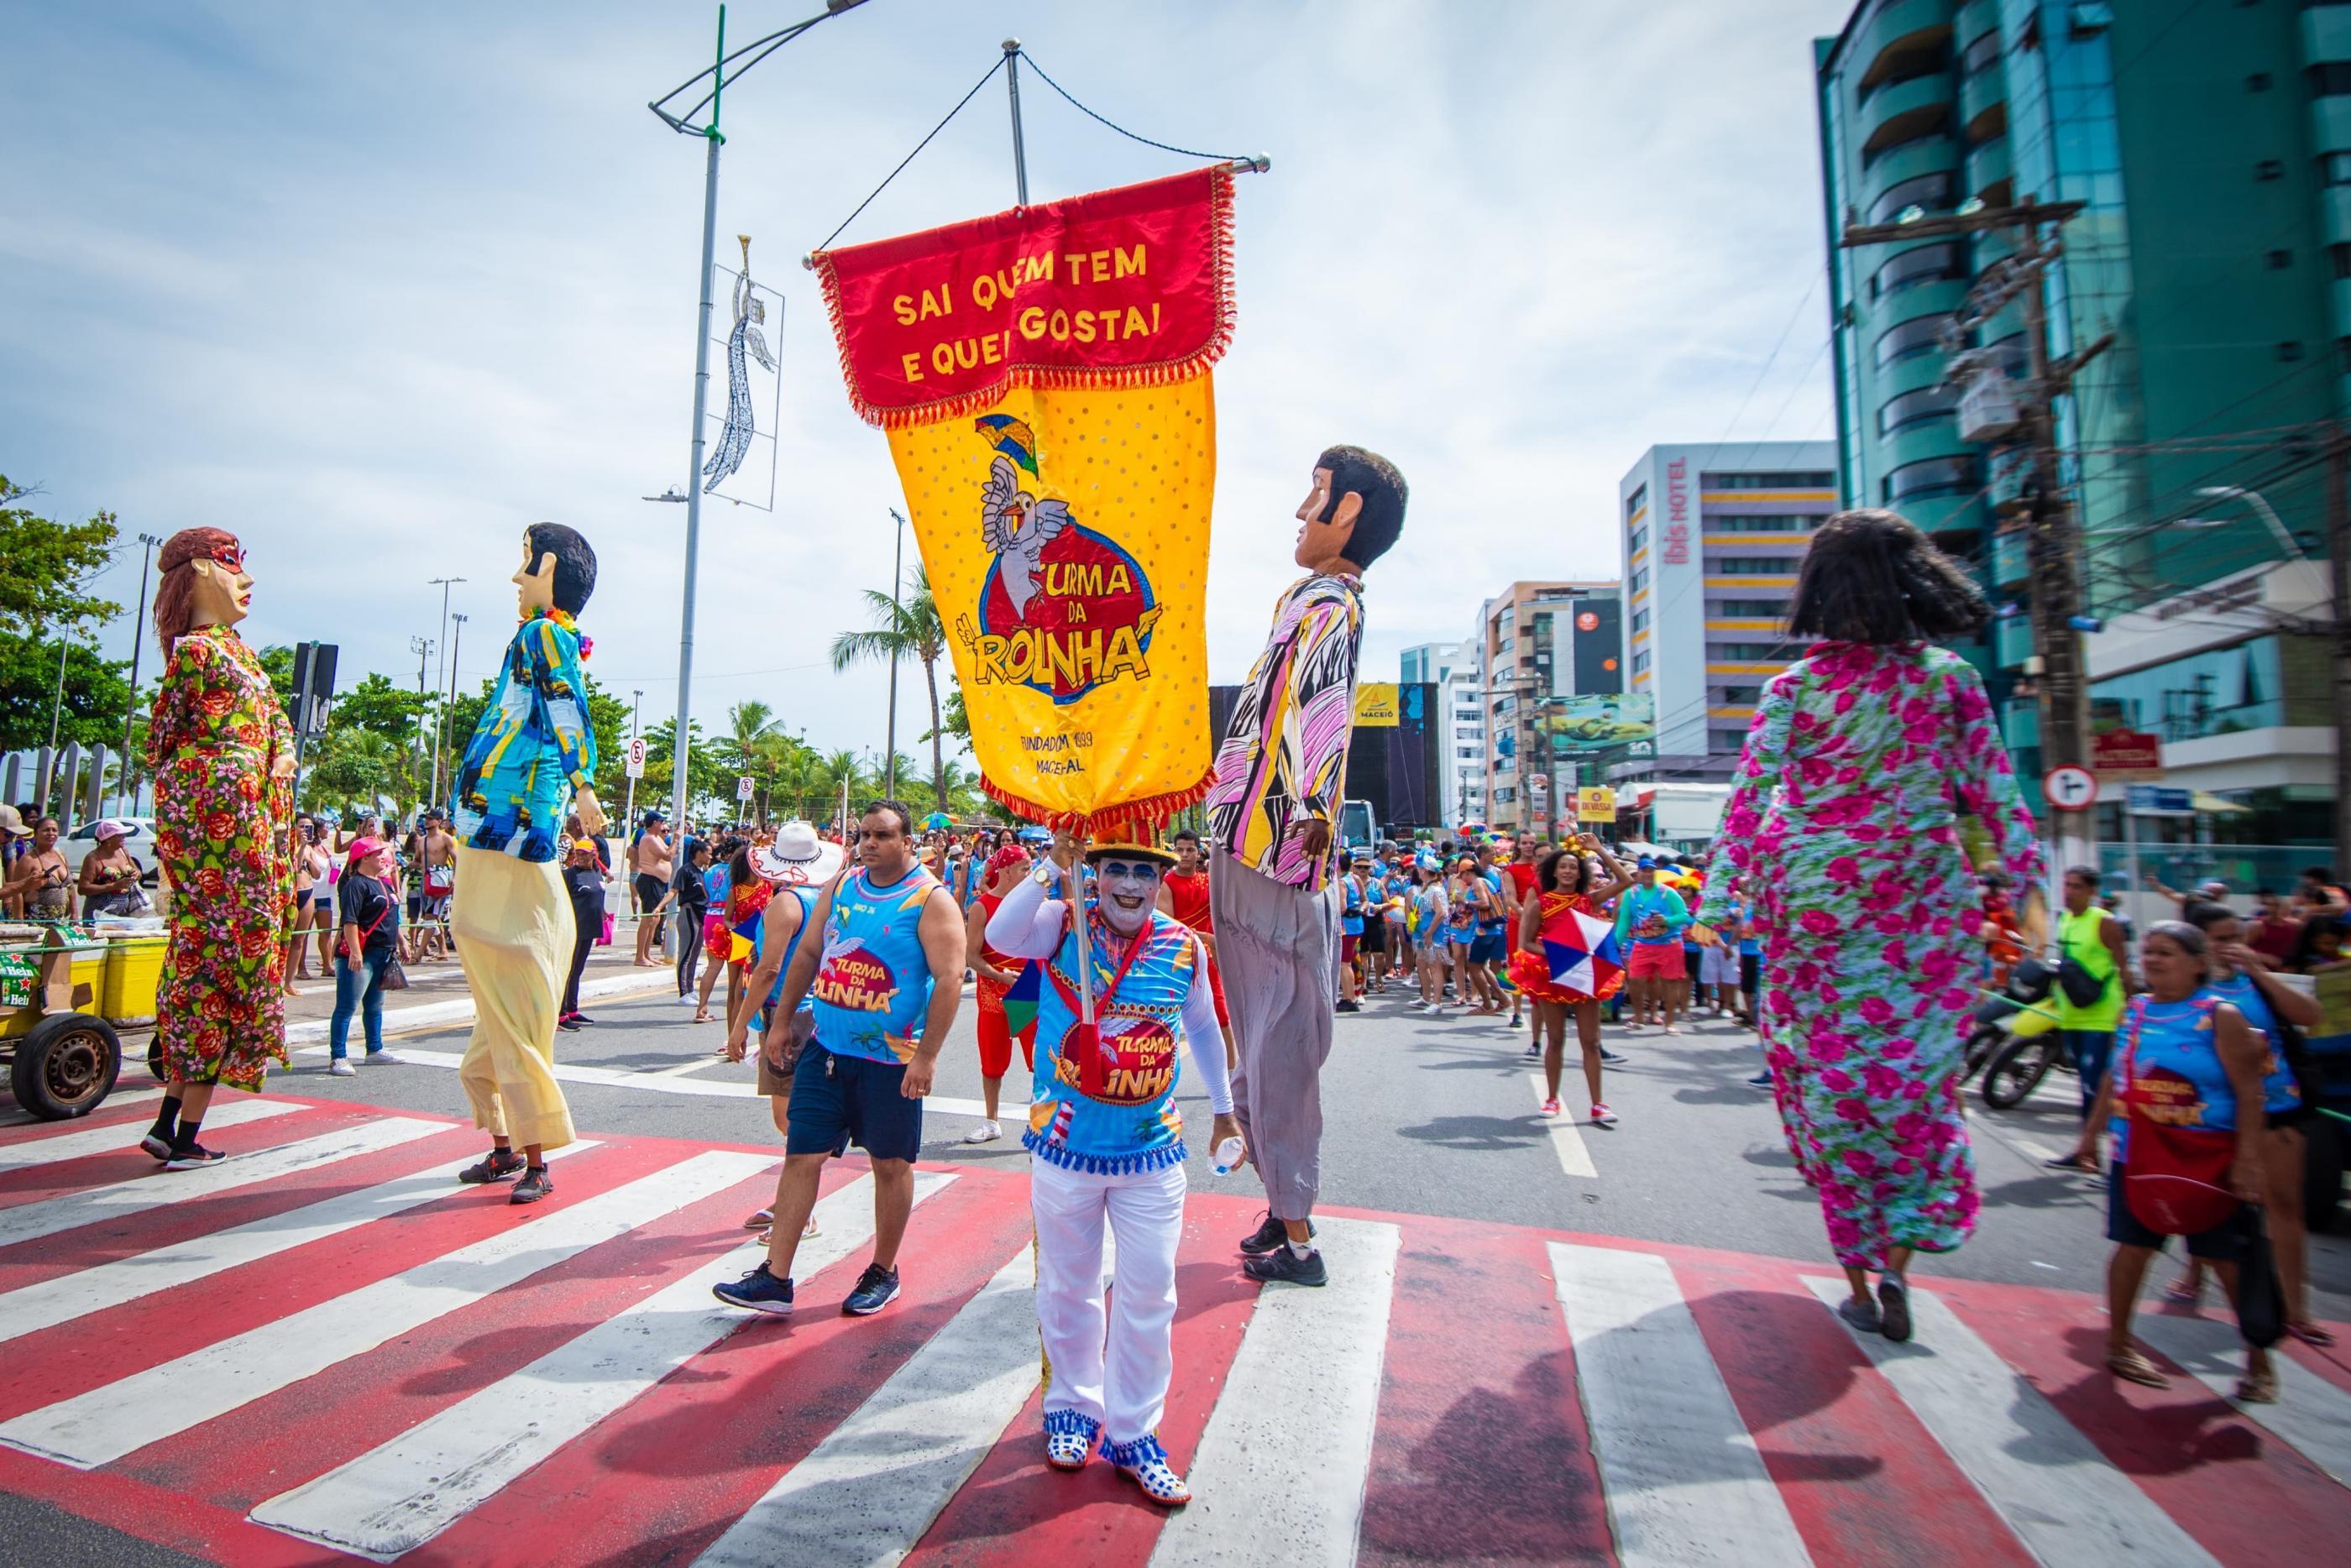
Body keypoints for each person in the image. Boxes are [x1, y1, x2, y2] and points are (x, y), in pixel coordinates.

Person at [1696, 507, 2044, 1344]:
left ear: (1817, 587)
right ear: (1917, 578)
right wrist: (2034, 895)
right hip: (1922, 901)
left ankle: (1858, 1271)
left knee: (1824, 1089)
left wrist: (1717, 901)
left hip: (1812, 902)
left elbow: (1749, 796)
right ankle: (1897, 1260)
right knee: (1916, 1085)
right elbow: (1996, 791)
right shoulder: (1949, 678)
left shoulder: (1795, 687)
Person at [984, 822, 1241, 1505]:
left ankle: (1134, 1433)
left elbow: (1203, 1030)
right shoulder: (1060, 922)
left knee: (1151, 1292)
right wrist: (1050, 865)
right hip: (1065, 1147)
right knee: (1068, 1287)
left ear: (1160, 880)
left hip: (1151, 1153)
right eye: (1115, 869)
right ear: (1094, 874)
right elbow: (1002, 936)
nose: (1129, 885)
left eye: (1143, 872)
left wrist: (1224, 1110)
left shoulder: (1184, 946)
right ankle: (1072, 1409)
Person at [1204, 445, 1406, 1288]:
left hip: (1274, 847)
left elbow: (1324, 710)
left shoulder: (1329, 601)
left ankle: (1296, 1232)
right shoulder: (1309, 598)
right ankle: (1280, 1200)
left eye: (1315, 493)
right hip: (1254, 835)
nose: (1299, 510)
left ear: (1347, 510)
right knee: (1261, 1037)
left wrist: (1311, 816)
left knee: (1280, 1040)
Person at [712, 800, 964, 1318]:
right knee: (801, 1155)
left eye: (883, 835)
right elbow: (808, 954)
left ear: (908, 842)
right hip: (826, 1050)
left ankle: (883, 1271)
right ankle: (775, 1278)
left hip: (891, 1061)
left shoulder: (930, 899)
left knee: (890, 1165)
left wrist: (927, 1056)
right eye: (864, 834)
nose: (869, 843)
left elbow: (949, 979)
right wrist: (781, 1022)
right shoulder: (843, 885)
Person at [447, 523, 605, 1206]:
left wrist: (584, 784)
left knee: (512, 988)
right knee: (497, 1001)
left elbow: (567, 703)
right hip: (496, 829)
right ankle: (506, 1146)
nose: (516, 578)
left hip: (510, 831)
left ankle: (535, 1156)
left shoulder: (545, 633)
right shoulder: (536, 635)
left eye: (525, 565)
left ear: (550, 573)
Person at [139, 528, 298, 1170]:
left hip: (248, 836)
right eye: (234, 566)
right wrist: (230, 773)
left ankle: (170, 1127)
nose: (247, 580)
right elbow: (163, 743)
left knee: (217, 981)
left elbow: (277, 724)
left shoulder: (239, 655)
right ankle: (180, 1137)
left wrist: (277, 756)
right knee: (222, 980)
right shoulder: (199, 654)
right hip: (224, 847)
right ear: (203, 569)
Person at [2066, 923, 2278, 1401]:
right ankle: (2119, 1346)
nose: (2154, 960)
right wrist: (2090, 1137)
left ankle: (2259, 1362)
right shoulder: (2135, 1010)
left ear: (2199, 963)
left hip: (2207, 1157)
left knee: (2225, 1260)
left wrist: (2248, 1161)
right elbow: (2113, 1078)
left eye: (2166, 952)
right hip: (2138, 1154)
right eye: (2149, 951)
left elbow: (2250, 1091)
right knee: (2132, 1248)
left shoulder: (2220, 1016)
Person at [2168, 901, 2330, 1346]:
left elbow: (2311, 1015)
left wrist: (2258, 970)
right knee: (2207, 1203)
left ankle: (2296, 1310)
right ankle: (2196, 1272)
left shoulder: (2254, 980)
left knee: (2284, 1206)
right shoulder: (2183, 991)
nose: (2231, 947)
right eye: (2220, 940)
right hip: (2213, 1115)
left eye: (2236, 937)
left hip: (2277, 1108)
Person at [724, 822, 844, 1245]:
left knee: (790, 1117)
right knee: (795, 1113)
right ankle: (789, 1200)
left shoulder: (786, 904)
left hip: (788, 1016)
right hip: (812, 1011)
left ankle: (800, 1209)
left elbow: (768, 969)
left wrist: (740, 1023)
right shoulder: (820, 899)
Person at [1511, 835, 1636, 1123]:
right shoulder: (1540, 904)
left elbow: (1626, 880)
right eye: (1563, 867)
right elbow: (1526, 943)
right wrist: (1559, 954)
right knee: (1555, 1040)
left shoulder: (1588, 900)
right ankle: (1552, 1099)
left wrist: (1599, 849)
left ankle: (1598, 1104)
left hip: (1585, 975)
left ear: (1581, 874)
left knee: (1591, 1041)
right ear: (1554, 872)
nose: (1568, 871)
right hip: (1553, 974)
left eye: (1573, 868)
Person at [2045, 865, 2131, 1160]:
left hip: (2101, 1017)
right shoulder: (2065, 920)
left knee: (2094, 1086)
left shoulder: (2105, 922)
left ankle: (2092, 1152)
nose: (2069, 891)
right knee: (2084, 1083)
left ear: (2092, 891)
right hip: (2072, 1014)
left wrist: (2132, 1010)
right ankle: (2087, 1150)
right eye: (2066, 885)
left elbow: (2124, 967)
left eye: (2077, 886)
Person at [962, 841, 1035, 1142]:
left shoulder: (1034, 902)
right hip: (993, 991)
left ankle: (1041, 1123)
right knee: (992, 1062)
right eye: (1024, 869)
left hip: (1028, 988)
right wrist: (999, 976)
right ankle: (991, 1121)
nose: (1030, 874)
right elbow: (971, 957)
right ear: (1006, 872)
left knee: (1040, 1061)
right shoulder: (981, 907)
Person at [1156, 828, 1236, 1067]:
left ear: (1198, 852)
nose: (1184, 855)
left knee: (1222, 1015)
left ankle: (1231, 1073)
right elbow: (1169, 927)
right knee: (1166, 1017)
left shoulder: (1209, 882)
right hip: (1177, 958)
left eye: (1190, 850)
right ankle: (1161, 1072)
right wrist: (1204, 937)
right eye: (1179, 850)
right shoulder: (1167, 884)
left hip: (1208, 958)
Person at [327, 837, 402, 1075]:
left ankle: (374, 1049)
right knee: (347, 1006)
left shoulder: (383, 883)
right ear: (364, 858)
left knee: (375, 1005)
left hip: (383, 953)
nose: (384, 857)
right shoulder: (355, 885)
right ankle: (338, 1056)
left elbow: (391, 915)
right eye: (378, 853)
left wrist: (402, 941)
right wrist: (355, 953)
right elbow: (350, 921)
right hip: (362, 955)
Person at [1619, 860, 1691, 1032]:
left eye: (1651, 871)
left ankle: (1670, 1022)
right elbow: (1624, 921)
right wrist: (1615, 944)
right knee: (1634, 979)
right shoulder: (1631, 894)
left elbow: (1684, 916)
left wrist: (1667, 920)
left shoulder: (1668, 893)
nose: (1648, 874)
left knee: (1670, 982)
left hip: (1669, 944)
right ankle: (1639, 1017)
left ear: (1655, 873)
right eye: (1644, 870)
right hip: (1642, 944)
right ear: (1638, 873)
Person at [557, 815, 610, 1031]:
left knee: (578, 970)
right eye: (578, 853)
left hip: (590, 927)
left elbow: (597, 894)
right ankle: (560, 1014)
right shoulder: (570, 875)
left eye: (585, 853)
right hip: (574, 928)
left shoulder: (596, 872)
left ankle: (572, 1009)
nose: (580, 856)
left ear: (594, 855)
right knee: (567, 970)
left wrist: (603, 912)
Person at [285, 816, 328, 992]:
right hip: (292, 894)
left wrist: (309, 859)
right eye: (302, 826)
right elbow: (294, 868)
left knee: (299, 940)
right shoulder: (288, 846)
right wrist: (301, 847)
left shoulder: (310, 849)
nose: (305, 830)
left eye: (309, 827)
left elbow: (317, 875)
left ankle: (289, 983)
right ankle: (278, 979)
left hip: (308, 891)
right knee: (286, 938)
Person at [4, 816, 72, 922]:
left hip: (60, 920)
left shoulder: (61, 855)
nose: (51, 833)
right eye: (46, 830)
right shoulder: (28, 859)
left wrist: (74, 914)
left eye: (54, 830)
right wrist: (19, 921)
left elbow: (70, 888)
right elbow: (17, 891)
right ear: (36, 834)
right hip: (35, 919)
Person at [77, 819, 149, 918]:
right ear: (108, 839)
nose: (124, 837)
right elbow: (82, 889)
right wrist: (113, 886)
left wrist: (136, 874)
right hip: (99, 914)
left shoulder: (123, 851)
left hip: (123, 913)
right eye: (119, 835)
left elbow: (138, 872)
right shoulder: (93, 859)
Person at [670, 836, 713, 1001]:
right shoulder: (686, 870)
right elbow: (674, 891)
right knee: (686, 953)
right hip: (689, 913)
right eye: (708, 853)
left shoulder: (703, 873)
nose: (710, 857)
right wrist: (660, 907)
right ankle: (683, 992)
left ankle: (690, 988)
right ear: (699, 853)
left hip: (702, 914)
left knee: (695, 954)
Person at [412, 808, 455, 963]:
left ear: (438, 821)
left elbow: (456, 858)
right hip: (425, 883)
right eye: (426, 818)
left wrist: (454, 878)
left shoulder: (446, 839)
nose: (427, 821)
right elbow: (417, 861)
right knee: (430, 917)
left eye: (431, 818)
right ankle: (443, 950)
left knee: (431, 917)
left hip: (439, 884)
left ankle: (418, 954)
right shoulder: (421, 841)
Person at [632, 811, 673, 966]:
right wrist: (676, 840)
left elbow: (669, 852)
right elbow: (667, 855)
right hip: (649, 880)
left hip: (657, 882)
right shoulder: (649, 838)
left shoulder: (657, 838)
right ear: (655, 823)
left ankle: (646, 954)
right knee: (648, 919)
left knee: (655, 919)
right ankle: (639, 956)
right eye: (661, 822)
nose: (663, 826)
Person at [1336, 855, 1366, 1013]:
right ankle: (1352, 995)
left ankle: (1349, 998)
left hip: (1346, 927)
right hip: (1356, 925)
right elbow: (1363, 900)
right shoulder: (1354, 878)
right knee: (1351, 961)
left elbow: (1341, 908)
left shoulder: (1341, 883)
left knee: (1345, 963)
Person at [2246, 889, 2303, 972]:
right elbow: (2244, 949)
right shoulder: (2259, 926)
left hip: (2284, 970)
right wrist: (2264, 957)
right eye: (2270, 906)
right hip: (2261, 970)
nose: (2274, 909)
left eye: (2277, 906)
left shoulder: (2293, 926)